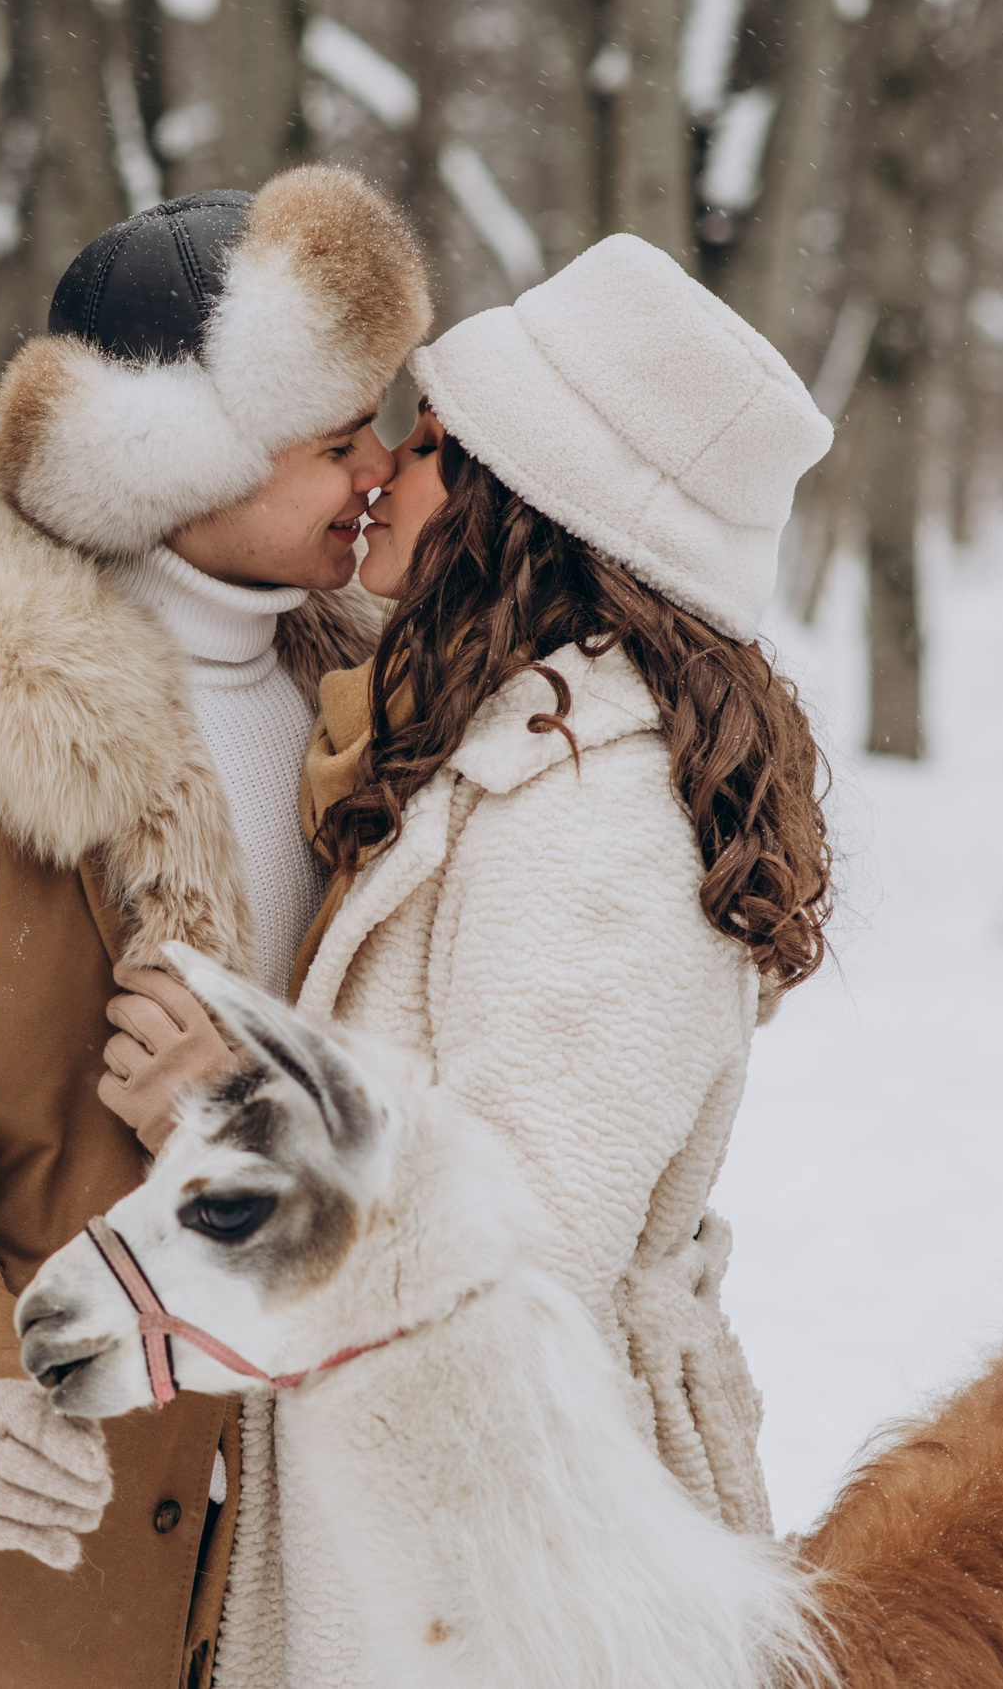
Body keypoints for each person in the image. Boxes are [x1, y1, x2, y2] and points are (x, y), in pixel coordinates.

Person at [98, 233, 838, 1686]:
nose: (382, 465)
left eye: (430, 445)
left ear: (526, 516)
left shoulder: (594, 819)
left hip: (503, 1589)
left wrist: (226, 1121)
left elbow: (518, 1271)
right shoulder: (512, 747)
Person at [0, 165, 430, 1689]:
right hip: (21, 1573)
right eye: (334, 439)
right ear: (176, 465)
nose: (379, 463)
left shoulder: (375, 719)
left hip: (303, 1544)